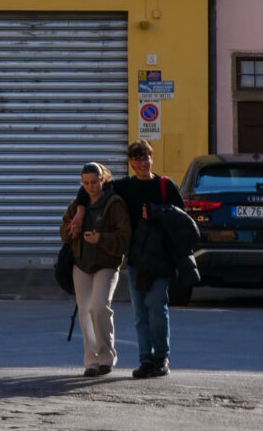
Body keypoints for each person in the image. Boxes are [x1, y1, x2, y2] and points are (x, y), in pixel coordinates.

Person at [112, 139, 185, 379]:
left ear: (152, 159)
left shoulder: (165, 186)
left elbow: (182, 219)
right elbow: (92, 188)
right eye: (138, 159)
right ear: (131, 163)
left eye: (146, 158)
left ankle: (161, 357)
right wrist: (80, 211)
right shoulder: (124, 186)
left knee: (156, 306)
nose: (143, 163)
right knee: (140, 313)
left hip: (161, 258)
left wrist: (158, 211)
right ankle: (145, 359)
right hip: (137, 258)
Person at [60, 161, 131, 377]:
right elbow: (63, 233)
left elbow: (124, 237)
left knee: (99, 307)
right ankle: (91, 361)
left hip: (106, 263)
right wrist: (71, 231)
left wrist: (100, 238)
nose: (91, 187)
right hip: (81, 263)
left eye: (94, 182)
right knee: (84, 313)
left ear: (103, 179)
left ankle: (106, 357)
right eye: (86, 183)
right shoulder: (77, 205)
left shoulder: (114, 203)